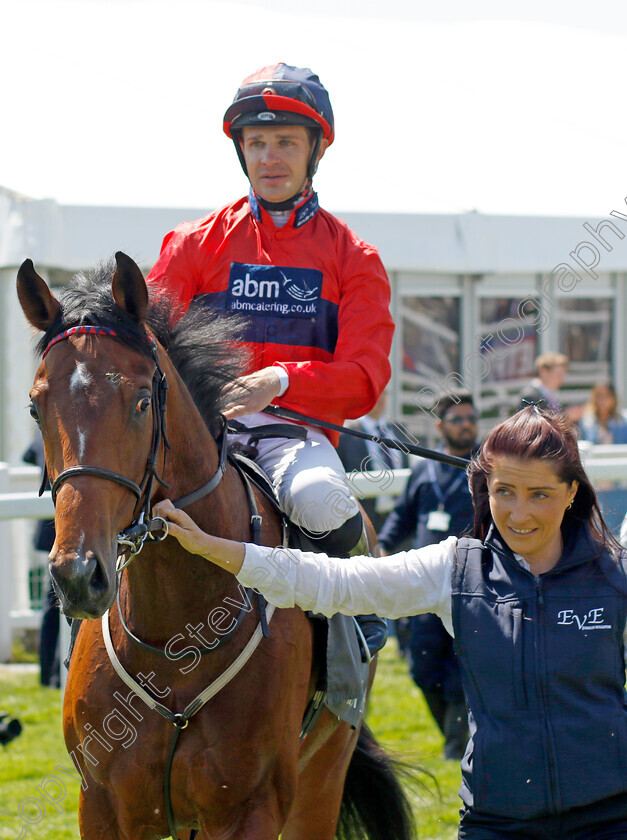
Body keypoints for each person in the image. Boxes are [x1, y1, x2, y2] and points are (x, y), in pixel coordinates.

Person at [154, 406, 627, 840]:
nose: (518, 513)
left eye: (539, 494)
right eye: (504, 491)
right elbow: (333, 581)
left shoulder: (615, 575)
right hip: (497, 822)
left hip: (608, 819)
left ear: (570, 494)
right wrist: (213, 547)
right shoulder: (454, 570)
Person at [146, 63, 394, 653]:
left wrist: (281, 381)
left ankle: (359, 615)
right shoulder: (192, 245)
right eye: (257, 143)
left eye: (286, 142)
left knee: (325, 502)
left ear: (315, 151)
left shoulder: (354, 257)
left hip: (293, 438)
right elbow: (146, 344)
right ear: (241, 152)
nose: (270, 157)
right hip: (200, 435)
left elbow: (365, 380)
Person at [377, 394, 479, 760]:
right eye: (457, 419)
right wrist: (384, 545)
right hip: (423, 582)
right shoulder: (424, 468)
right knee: (423, 666)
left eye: (471, 417)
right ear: (440, 426)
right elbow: (403, 516)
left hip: (471, 580)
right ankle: (455, 736)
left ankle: (457, 746)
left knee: (459, 667)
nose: (466, 424)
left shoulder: (486, 466)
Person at [336, 391, 411, 534]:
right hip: (363, 522)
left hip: (399, 521)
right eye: (374, 392)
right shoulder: (345, 434)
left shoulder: (398, 429)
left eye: (383, 392)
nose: (379, 398)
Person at [22, 435, 60, 688]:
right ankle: (54, 674)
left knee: (52, 605)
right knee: (57, 604)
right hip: (60, 526)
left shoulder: (41, 436)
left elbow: (26, 456)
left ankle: (48, 673)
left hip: (50, 529)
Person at [579, 381, 627, 445]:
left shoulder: (622, 422)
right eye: (598, 396)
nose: (601, 400)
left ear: (613, 399)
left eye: (606, 396)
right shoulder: (586, 422)